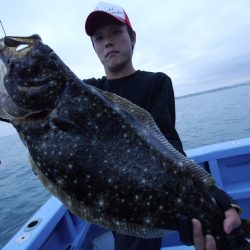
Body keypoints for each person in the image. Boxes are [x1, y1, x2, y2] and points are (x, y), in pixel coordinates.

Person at [83, 2, 242, 250]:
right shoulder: (88, 91)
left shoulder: (156, 82)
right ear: (94, 47)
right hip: (114, 198)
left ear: (132, 37)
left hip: (151, 190)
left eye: (115, 32)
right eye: (99, 37)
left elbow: (167, 142)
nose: (108, 42)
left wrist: (208, 194)